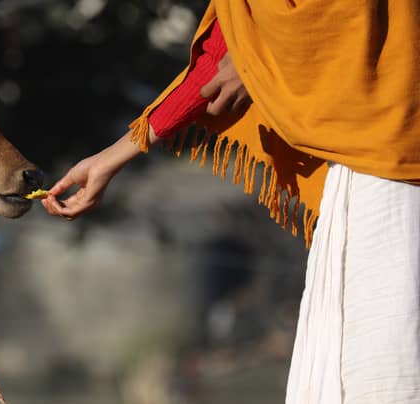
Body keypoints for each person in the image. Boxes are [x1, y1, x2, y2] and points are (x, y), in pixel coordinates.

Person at [42, 1, 420, 403]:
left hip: (392, 175)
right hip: (376, 167)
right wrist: (110, 159)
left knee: (382, 373)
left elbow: (325, 24)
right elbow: (223, 57)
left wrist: (262, 61)